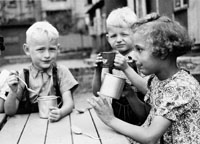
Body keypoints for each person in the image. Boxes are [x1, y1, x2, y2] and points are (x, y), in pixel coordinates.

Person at [88, 13, 200, 144]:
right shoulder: (157, 80)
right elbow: (147, 115)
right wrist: (130, 95)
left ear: (162, 52)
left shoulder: (179, 87)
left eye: (139, 50)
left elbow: (149, 137)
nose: (133, 57)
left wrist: (110, 119)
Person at [5, 21, 78, 122]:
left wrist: (61, 112)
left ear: (58, 49)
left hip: (57, 125)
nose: (47, 55)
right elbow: (9, 111)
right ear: (27, 49)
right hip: (27, 127)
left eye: (52, 49)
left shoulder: (61, 71)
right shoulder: (22, 75)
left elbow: (69, 103)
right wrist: (13, 92)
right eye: (41, 50)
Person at [92, 6, 149, 125]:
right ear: (108, 38)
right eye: (113, 36)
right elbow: (98, 91)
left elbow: (148, 90)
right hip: (117, 116)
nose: (118, 40)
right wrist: (97, 70)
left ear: (135, 34)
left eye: (124, 34)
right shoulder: (110, 59)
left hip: (141, 116)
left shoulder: (141, 57)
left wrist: (126, 68)